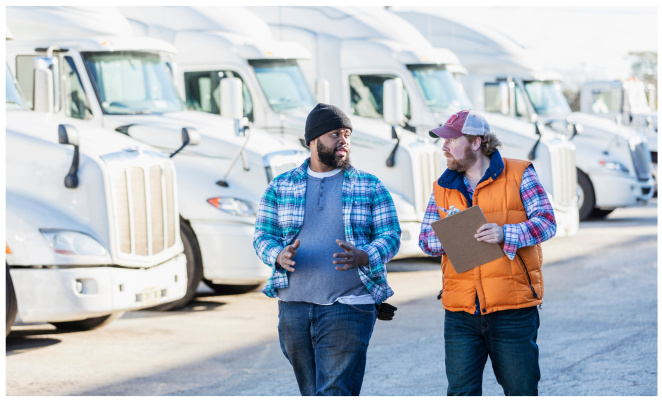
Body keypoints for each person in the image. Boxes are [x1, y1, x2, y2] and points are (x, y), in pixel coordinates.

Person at [253, 103, 401, 396]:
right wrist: (278, 255)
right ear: (313, 140)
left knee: (333, 391)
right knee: (311, 392)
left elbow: (390, 235)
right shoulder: (281, 186)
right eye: (335, 134)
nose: (344, 140)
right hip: (293, 307)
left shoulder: (369, 185)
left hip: (349, 305)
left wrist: (364, 255)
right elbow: (262, 236)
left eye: (347, 134)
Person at [418, 110, 557, 396]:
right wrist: (448, 235)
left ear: (476, 142)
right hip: (460, 312)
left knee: (521, 390)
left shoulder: (520, 173)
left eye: (451, 140)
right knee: (461, 393)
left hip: (513, 309)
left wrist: (506, 233)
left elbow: (547, 222)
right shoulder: (442, 186)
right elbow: (425, 241)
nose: (443, 147)